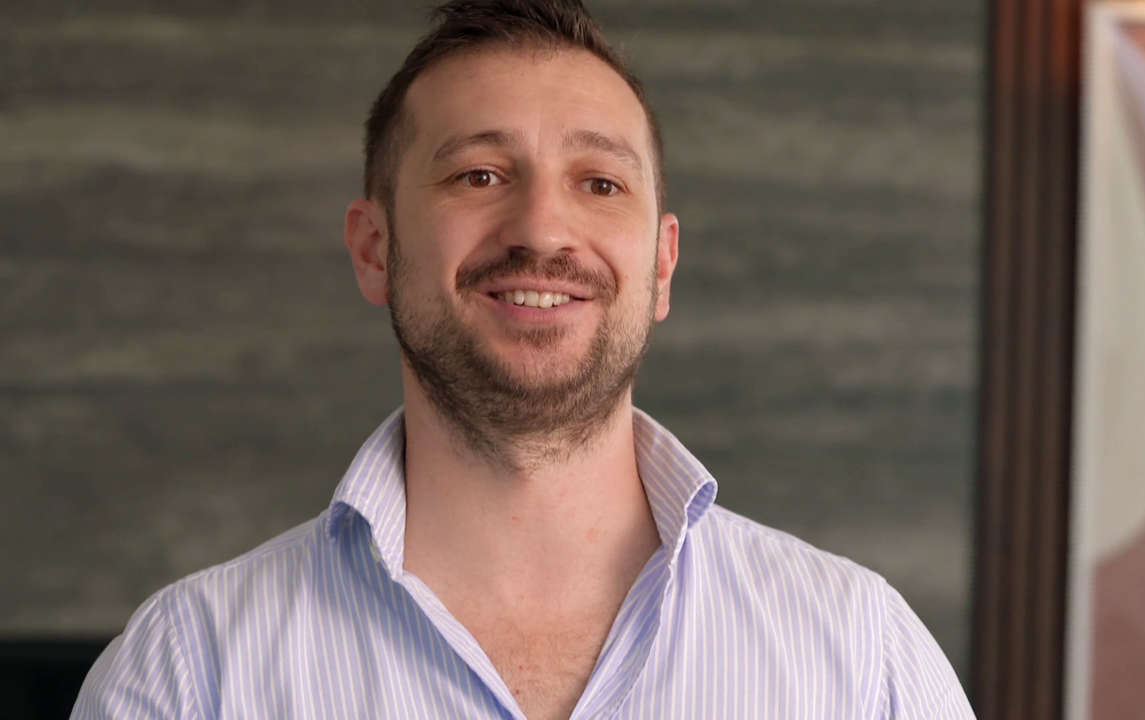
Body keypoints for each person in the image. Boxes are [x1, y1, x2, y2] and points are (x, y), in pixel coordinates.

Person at [72, 1, 974, 717]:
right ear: (374, 248)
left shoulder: (861, 658)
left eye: (600, 183)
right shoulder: (189, 673)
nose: (542, 229)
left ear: (662, 265)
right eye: (479, 175)